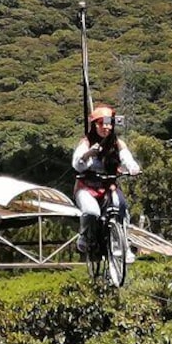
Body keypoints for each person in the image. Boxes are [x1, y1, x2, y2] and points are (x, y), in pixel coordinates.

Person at [72, 105, 140, 261]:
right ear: (95, 125)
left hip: (109, 186)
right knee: (91, 212)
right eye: (101, 124)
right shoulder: (86, 142)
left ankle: (123, 244)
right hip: (87, 187)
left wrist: (133, 167)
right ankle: (85, 236)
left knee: (120, 206)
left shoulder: (117, 143)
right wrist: (88, 154)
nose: (105, 127)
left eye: (109, 123)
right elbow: (77, 164)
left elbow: (127, 158)